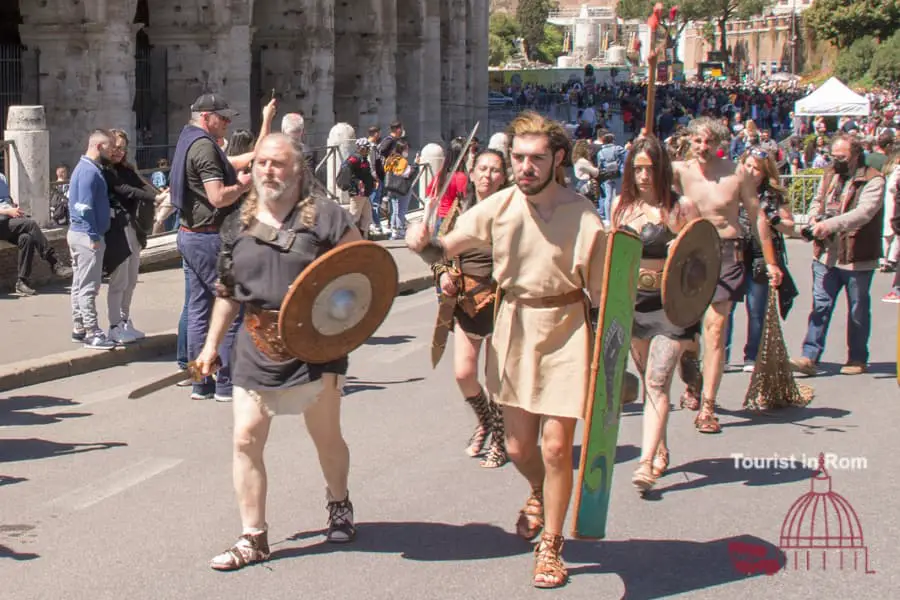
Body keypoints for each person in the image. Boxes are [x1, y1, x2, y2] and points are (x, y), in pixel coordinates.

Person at [407, 111, 607, 589]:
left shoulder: (583, 214)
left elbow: (602, 295)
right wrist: (424, 244)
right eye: (518, 157)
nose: (525, 167)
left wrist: (610, 360)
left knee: (558, 447)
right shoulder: (498, 206)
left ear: (558, 158)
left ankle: (552, 545)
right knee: (519, 447)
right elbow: (446, 246)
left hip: (566, 329)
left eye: (536, 158)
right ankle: (537, 490)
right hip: (514, 327)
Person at [194, 134, 362, 571]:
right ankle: (254, 537)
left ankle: (339, 503)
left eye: (279, 163)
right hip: (256, 340)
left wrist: (340, 322)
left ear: (298, 169)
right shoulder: (237, 222)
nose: (268, 170)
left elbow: (362, 272)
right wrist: (212, 344)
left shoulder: (326, 217)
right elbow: (228, 291)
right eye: (263, 163)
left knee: (325, 436)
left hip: (314, 342)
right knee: (246, 437)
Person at [673, 117, 782, 434]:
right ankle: (693, 383)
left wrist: (770, 261)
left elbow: (757, 216)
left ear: (719, 144)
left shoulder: (737, 174)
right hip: (690, 253)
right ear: (690, 142)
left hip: (726, 252)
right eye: (698, 141)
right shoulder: (679, 172)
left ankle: (708, 405)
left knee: (716, 329)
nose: (703, 148)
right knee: (686, 335)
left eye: (709, 142)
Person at [610, 136, 702, 492]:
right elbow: (612, 253)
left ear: (662, 168)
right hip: (635, 302)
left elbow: (699, 260)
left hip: (670, 306)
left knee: (657, 382)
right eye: (637, 168)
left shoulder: (682, 209)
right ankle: (659, 447)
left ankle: (646, 464)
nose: (643, 175)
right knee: (649, 377)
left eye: (649, 168)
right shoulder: (622, 206)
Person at [169, 93, 275, 401]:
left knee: (198, 309)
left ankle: (201, 382)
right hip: (209, 237)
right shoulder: (203, 146)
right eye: (223, 117)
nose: (228, 122)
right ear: (206, 117)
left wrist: (266, 120)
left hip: (190, 234)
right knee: (229, 307)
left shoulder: (189, 140)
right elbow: (217, 197)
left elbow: (243, 159)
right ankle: (226, 383)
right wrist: (243, 185)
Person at [431, 149, 511, 469]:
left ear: (504, 177)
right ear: (473, 172)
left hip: (504, 301)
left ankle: (501, 440)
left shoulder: (512, 213)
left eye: (495, 170)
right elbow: (438, 251)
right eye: (482, 169)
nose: (487, 176)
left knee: (496, 379)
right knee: (464, 373)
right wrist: (443, 275)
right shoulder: (459, 210)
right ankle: (485, 421)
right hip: (465, 301)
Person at [790, 134, 885, 376]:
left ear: (855, 155)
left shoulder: (873, 180)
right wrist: (813, 219)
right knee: (820, 305)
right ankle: (809, 356)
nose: (836, 161)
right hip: (826, 255)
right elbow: (817, 200)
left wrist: (830, 224)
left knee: (857, 309)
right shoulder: (829, 174)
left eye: (841, 157)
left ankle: (857, 357)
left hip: (856, 256)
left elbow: (864, 213)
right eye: (833, 156)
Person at [101, 129, 167, 344]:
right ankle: (114, 326)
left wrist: (160, 192)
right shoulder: (106, 171)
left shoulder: (127, 168)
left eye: (123, 148)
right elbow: (126, 190)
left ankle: (125, 320)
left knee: (131, 280)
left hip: (134, 227)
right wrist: (155, 198)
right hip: (118, 229)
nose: (119, 152)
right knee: (119, 280)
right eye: (116, 148)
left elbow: (141, 184)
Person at [736, 148, 798, 371]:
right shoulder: (733, 188)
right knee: (725, 307)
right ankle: (721, 354)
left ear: (765, 173)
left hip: (761, 255)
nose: (752, 172)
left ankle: (752, 355)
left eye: (757, 169)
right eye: (749, 166)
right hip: (735, 252)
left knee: (756, 309)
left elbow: (789, 226)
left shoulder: (773, 195)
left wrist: (773, 218)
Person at [68, 129, 115, 349]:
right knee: (89, 286)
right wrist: (94, 235)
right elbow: (83, 207)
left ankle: (79, 326)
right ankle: (92, 332)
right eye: (110, 146)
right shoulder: (89, 171)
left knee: (79, 283)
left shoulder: (86, 168)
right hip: (88, 236)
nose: (113, 150)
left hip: (79, 234)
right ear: (98, 146)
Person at [0, 173, 72, 296]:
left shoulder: (2, 177)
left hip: (7, 221)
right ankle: (54, 263)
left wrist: (13, 208)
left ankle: (22, 282)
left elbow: (5, 200)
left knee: (26, 239)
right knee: (30, 224)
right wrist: (8, 211)